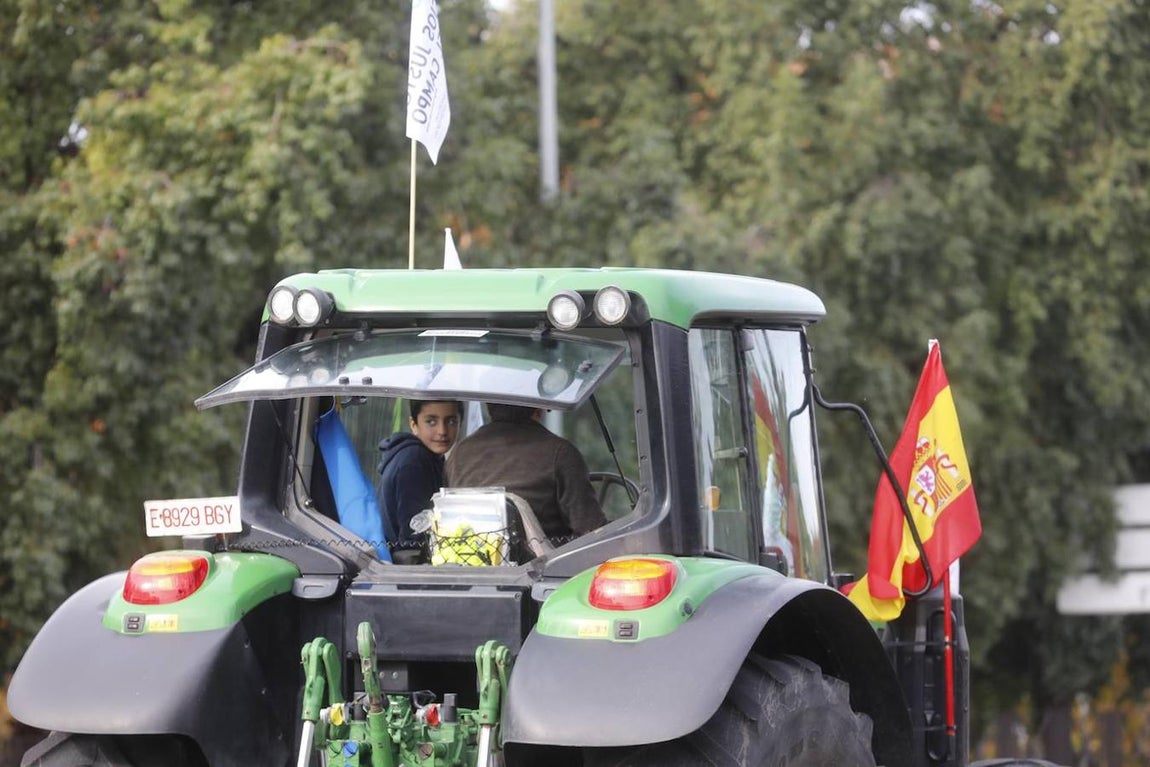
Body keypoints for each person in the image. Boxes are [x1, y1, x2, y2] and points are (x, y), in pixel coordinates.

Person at [445, 403, 607, 543]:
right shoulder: (561, 453)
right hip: (541, 572)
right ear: (539, 408)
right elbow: (592, 532)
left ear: (488, 407)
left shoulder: (459, 452)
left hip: (468, 566)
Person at [377, 399, 461, 562]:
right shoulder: (414, 460)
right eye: (431, 421)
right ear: (413, 424)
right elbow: (413, 539)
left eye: (451, 421)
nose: (442, 431)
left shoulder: (423, 456)